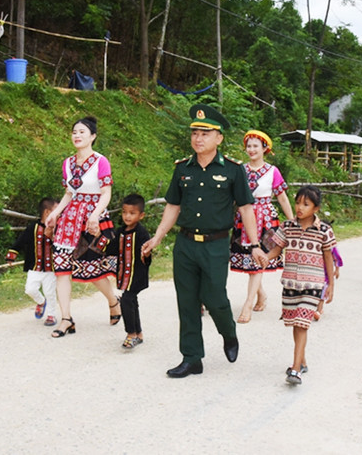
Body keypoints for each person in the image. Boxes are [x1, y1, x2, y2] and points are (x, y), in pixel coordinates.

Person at [141, 104, 268, 378]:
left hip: (215, 245)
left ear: (218, 138)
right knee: (186, 301)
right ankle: (192, 358)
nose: (198, 138)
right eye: (195, 133)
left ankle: (228, 332)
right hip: (185, 245)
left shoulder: (234, 170)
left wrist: (255, 245)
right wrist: (158, 236)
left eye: (205, 133)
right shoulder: (182, 169)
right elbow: (173, 206)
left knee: (215, 298)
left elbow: (246, 208)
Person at [45, 116, 121, 338]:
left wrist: (95, 215)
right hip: (68, 222)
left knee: (93, 270)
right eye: (74, 132)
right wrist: (55, 214)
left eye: (82, 132)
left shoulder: (100, 161)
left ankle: (113, 300)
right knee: (61, 270)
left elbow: (106, 193)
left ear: (93, 136)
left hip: (92, 221)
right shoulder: (67, 163)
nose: (77, 136)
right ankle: (66, 318)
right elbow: (69, 193)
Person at [266, 185, 336, 385]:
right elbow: (276, 250)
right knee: (296, 325)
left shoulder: (324, 230)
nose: (299, 207)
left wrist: (330, 285)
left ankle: (295, 369)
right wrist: (265, 257)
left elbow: (328, 258)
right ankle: (302, 361)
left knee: (302, 323)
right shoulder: (287, 227)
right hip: (291, 284)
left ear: (316, 209)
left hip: (313, 284)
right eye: (297, 202)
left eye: (306, 204)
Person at [229, 129, 294, 323]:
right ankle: (261, 294)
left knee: (259, 262)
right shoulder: (240, 170)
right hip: (243, 219)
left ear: (265, 148)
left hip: (266, 221)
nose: (251, 149)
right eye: (248, 146)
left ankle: (247, 304)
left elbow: (282, 197)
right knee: (248, 261)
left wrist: (292, 223)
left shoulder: (273, 171)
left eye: (255, 146)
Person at [102, 193, 152, 349]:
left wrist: (147, 254)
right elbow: (111, 249)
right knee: (132, 301)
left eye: (132, 213)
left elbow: (147, 255)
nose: (127, 216)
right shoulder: (120, 231)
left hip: (137, 275)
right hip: (124, 274)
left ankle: (131, 333)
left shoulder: (142, 233)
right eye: (124, 212)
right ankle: (139, 333)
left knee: (126, 300)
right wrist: (100, 237)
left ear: (141, 215)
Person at [5, 197, 59, 326]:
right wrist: (12, 254)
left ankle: (51, 315)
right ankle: (41, 302)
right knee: (30, 289)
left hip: (51, 268)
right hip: (34, 267)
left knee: (50, 292)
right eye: (57, 211)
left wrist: (52, 234)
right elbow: (21, 241)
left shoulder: (58, 229)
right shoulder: (32, 228)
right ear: (47, 212)